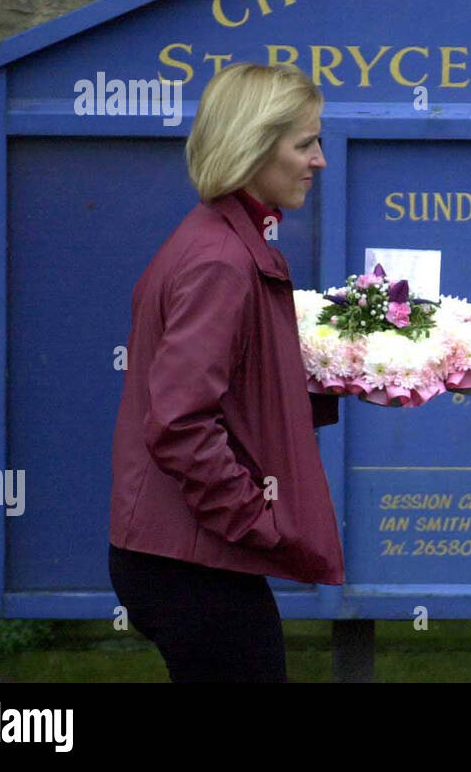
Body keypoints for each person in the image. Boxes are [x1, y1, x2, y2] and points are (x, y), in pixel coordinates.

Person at [108, 62, 343, 683]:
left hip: (183, 552)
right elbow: (180, 423)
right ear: (254, 147)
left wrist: (350, 380)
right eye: (304, 143)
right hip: (188, 560)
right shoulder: (221, 259)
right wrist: (254, 520)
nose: (319, 159)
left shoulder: (224, 239)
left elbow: (239, 388)